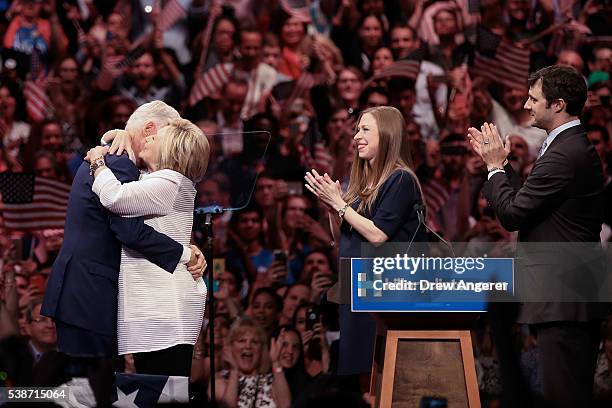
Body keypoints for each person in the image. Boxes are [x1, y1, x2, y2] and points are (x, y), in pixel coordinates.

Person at [41, 101, 205, 405]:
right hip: (90, 295)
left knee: (90, 393)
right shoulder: (119, 164)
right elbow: (128, 230)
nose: (169, 148)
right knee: (88, 394)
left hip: (85, 292)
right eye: (165, 137)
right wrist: (184, 254)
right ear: (150, 130)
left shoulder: (116, 158)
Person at [468, 65, 606, 408]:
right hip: (566, 297)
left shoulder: (565, 152)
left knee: (566, 399)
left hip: (564, 298)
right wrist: (503, 165)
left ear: (557, 105)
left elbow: (513, 215)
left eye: (534, 98)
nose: (527, 105)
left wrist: (494, 168)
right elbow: (527, 204)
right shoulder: (565, 147)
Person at [304, 106, 426, 386]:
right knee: (361, 380)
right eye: (357, 130)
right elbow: (343, 239)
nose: (356, 136)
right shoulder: (361, 188)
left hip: (383, 295)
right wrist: (332, 206)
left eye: (365, 129)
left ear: (386, 135)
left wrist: (339, 203)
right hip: (356, 291)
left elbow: (378, 234)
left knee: (381, 379)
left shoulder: (401, 179)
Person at [87, 117, 210, 377]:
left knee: (164, 394)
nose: (149, 138)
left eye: (158, 137)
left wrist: (98, 161)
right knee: (159, 392)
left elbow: (114, 197)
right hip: (161, 304)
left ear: (172, 150)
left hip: (166, 308)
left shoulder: (169, 180)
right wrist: (121, 135)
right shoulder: (161, 179)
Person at [213, 316, 292, 408]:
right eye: (242, 340)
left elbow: (285, 405)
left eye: (254, 342)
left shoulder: (272, 382)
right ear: (230, 347)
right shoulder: (220, 380)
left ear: (261, 349)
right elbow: (228, 406)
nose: (248, 346)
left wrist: (276, 362)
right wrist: (234, 370)